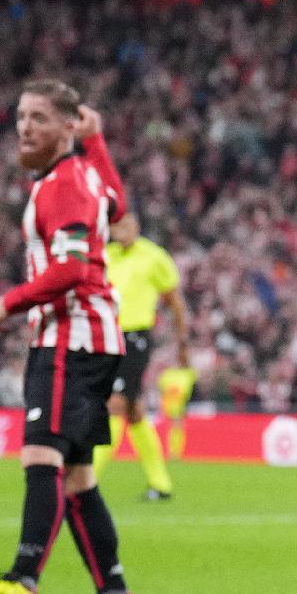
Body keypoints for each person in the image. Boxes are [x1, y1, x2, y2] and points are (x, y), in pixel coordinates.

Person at [0, 82, 142, 594]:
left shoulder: (62, 183)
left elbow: (72, 271)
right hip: (93, 336)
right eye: (20, 117)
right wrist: (99, 140)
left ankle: (23, 579)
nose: (24, 128)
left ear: (66, 127)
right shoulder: (84, 176)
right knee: (79, 474)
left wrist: (7, 303)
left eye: (38, 118)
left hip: (70, 336)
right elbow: (118, 205)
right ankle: (113, 592)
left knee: (42, 455)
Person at [96, 208, 187, 500]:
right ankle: (160, 484)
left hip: (135, 338)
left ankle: (86, 483)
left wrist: (182, 337)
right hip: (107, 338)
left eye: (129, 223)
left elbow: (173, 300)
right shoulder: (104, 255)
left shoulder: (153, 256)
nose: (124, 228)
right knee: (134, 412)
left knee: (114, 404)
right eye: (118, 224)